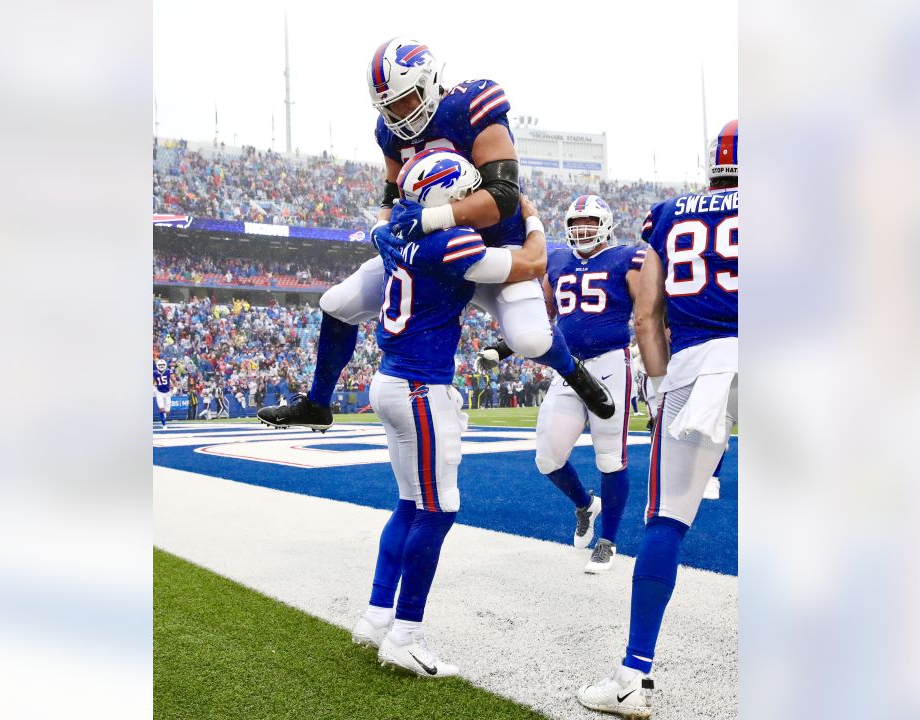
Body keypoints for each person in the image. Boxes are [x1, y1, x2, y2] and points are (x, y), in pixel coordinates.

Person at [259, 37, 612, 432]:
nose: (398, 113)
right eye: (389, 105)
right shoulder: (389, 131)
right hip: (432, 253)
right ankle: (318, 404)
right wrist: (381, 226)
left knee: (529, 339)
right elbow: (393, 193)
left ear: (428, 82)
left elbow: (504, 196)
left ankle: (575, 373)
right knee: (336, 302)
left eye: (406, 99)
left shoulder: (472, 105)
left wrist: (430, 220)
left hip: (494, 246)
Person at [349, 149, 549, 678]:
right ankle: (405, 633)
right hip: (420, 386)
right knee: (439, 510)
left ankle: (375, 616)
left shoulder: (395, 232)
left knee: (411, 504)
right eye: (461, 197)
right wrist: (531, 216)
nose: (469, 206)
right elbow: (533, 264)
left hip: (390, 377)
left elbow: (388, 228)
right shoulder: (451, 240)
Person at [576, 120, 739, 717]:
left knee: (667, 520)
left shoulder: (671, 215)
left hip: (698, 362)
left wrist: (662, 386)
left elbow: (646, 316)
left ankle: (632, 679)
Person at [527, 195, 649, 573]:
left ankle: (608, 540)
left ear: (606, 224)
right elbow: (542, 313)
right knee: (547, 457)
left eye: (590, 222)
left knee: (610, 456)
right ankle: (585, 505)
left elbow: (647, 308)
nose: (582, 229)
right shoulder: (557, 259)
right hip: (569, 368)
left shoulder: (627, 258)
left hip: (611, 363)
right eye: (576, 222)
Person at [153, 358, 175, 428]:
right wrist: (153, 387)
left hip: (168, 393)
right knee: (161, 408)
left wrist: (175, 388)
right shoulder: (154, 373)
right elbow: (152, 382)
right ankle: (164, 424)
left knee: (167, 411)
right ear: (157, 365)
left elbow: (174, 380)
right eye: (160, 364)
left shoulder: (169, 371)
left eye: (163, 364)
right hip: (159, 392)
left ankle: (164, 415)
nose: (161, 366)